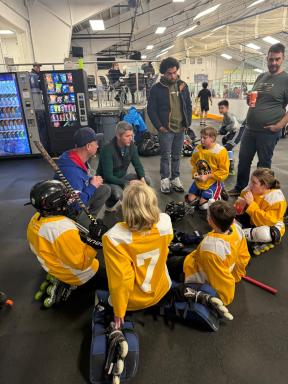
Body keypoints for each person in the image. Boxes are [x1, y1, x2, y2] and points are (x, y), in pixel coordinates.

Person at [102, 182, 232, 329]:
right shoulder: (164, 222)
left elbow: (122, 280)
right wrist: (143, 191)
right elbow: (159, 226)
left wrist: (119, 311)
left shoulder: (113, 238)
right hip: (162, 288)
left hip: (135, 300)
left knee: (105, 294)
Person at [229, 43, 288, 197]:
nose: (273, 63)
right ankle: (240, 187)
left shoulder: (286, 79)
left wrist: (279, 126)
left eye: (277, 59)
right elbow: (253, 101)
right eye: (270, 59)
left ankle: (261, 194)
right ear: (266, 58)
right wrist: (249, 100)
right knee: (243, 160)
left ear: (283, 58)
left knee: (263, 165)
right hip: (250, 128)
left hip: (268, 131)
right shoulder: (261, 76)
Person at [27, 180, 102, 289]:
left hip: (52, 265)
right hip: (78, 275)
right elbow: (81, 264)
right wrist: (94, 243)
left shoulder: (35, 219)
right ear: (55, 203)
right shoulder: (63, 228)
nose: (68, 199)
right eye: (65, 197)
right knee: (108, 263)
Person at [181, 200, 250, 305]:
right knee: (186, 251)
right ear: (232, 221)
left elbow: (222, 280)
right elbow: (243, 257)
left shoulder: (210, 248)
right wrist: (236, 275)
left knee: (171, 261)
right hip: (219, 263)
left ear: (209, 221)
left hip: (195, 272)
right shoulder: (237, 230)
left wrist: (222, 299)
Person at [147, 57, 193, 194]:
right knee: (165, 155)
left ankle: (175, 178)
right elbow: (151, 109)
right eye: (169, 73)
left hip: (180, 128)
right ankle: (165, 179)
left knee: (177, 155)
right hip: (165, 129)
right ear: (163, 73)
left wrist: (187, 123)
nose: (173, 76)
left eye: (174, 72)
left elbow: (188, 105)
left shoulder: (183, 86)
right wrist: (159, 126)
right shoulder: (156, 89)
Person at [56, 126, 111, 226]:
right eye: (96, 143)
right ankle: (81, 224)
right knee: (101, 189)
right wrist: (92, 186)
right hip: (69, 211)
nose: (97, 146)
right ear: (88, 146)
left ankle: (89, 219)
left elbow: (80, 180)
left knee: (105, 189)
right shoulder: (72, 173)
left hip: (74, 195)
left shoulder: (73, 156)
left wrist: (90, 180)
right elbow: (75, 205)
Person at [97, 121, 150, 211]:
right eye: (127, 136)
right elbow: (108, 176)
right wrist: (128, 183)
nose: (131, 138)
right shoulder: (107, 149)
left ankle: (130, 202)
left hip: (122, 177)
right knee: (119, 193)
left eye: (131, 135)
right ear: (118, 136)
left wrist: (142, 179)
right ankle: (109, 204)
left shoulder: (131, 146)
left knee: (146, 180)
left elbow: (138, 165)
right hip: (108, 182)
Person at [235, 168, 287, 255]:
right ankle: (245, 234)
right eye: (251, 181)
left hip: (269, 224)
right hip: (252, 219)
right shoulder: (249, 189)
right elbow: (239, 208)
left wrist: (251, 204)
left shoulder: (277, 199)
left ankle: (239, 234)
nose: (250, 185)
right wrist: (240, 207)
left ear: (265, 186)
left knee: (265, 234)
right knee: (229, 218)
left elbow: (267, 221)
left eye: (254, 183)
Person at [186, 126, 229, 210]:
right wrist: (196, 176)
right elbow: (194, 164)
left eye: (204, 138)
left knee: (204, 206)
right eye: (201, 137)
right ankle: (204, 196)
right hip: (200, 181)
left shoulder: (220, 152)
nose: (201, 140)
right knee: (191, 200)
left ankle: (219, 194)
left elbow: (224, 172)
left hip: (213, 182)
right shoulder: (198, 149)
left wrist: (208, 176)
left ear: (212, 139)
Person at [218, 99, 242, 175]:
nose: (220, 110)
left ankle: (231, 168)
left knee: (227, 147)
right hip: (232, 133)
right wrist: (219, 131)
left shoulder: (228, 115)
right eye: (219, 108)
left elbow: (234, 125)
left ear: (227, 108)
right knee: (224, 140)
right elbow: (223, 125)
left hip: (237, 133)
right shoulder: (225, 116)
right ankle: (229, 160)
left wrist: (225, 129)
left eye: (222, 108)